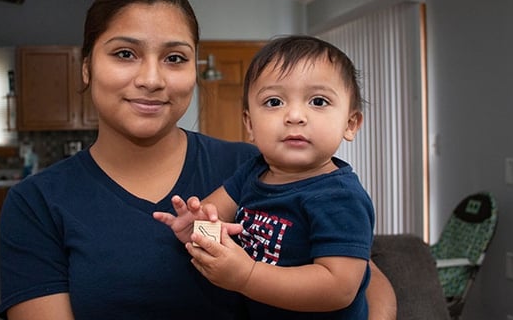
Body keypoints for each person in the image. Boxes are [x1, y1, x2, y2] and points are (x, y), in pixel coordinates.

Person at [0, 0, 396, 320]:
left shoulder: (261, 168)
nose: (152, 79)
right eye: (125, 54)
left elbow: (362, 281)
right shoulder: (37, 203)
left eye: (174, 58)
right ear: (86, 67)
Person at [154, 35, 374, 318]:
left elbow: (339, 287)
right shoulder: (252, 171)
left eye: (318, 101)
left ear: (351, 123)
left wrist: (248, 276)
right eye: (274, 102)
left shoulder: (340, 197)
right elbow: (212, 215)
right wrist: (197, 230)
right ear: (249, 124)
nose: (295, 115)